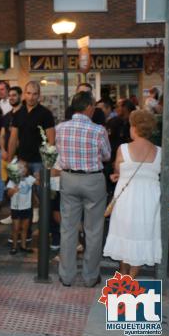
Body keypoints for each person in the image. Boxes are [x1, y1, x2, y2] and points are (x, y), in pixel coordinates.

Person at [55, 91, 110, 287]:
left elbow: (58, 151)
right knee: (93, 230)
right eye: (93, 106)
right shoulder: (98, 130)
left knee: (68, 229)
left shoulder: (60, 128)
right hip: (92, 179)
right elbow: (106, 155)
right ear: (88, 107)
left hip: (68, 178)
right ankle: (89, 277)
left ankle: (67, 276)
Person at [103, 110, 161, 278]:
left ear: (134, 128)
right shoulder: (159, 151)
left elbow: (117, 170)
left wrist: (118, 175)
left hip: (127, 199)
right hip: (149, 201)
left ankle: (123, 274)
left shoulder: (123, 149)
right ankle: (131, 278)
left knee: (124, 234)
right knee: (143, 235)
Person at [7, 81, 55, 224]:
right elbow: (13, 138)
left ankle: (47, 228)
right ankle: (25, 231)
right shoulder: (18, 113)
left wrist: (48, 165)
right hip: (22, 160)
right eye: (29, 93)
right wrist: (10, 160)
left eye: (35, 94)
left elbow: (51, 140)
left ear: (39, 95)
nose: (31, 97)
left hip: (40, 161)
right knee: (21, 195)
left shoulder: (45, 113)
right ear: (24, 94)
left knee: (43, 195)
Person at [0, 86, 23, 226]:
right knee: (11, 187)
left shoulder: (24, 113)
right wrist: (3, 149)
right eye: (10, 96)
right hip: (9, 157)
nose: (12, 98)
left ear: (20, 96)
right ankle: (13, 214)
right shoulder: (7, 116)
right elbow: (2, 135)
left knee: (23, 188)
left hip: (21, 156)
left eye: (14, 95)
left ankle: (31, 212)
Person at [6, 161, 36, 254]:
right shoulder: (12, 180)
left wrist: (39, 176)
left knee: (25, 228)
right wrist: (13, 190)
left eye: (23, 167)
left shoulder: (30, 179)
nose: (21, 169)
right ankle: (14, 246)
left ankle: (23, 246)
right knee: (15, 228)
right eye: (19, 167)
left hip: (26, 207)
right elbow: (8, 194)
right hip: (16, 207)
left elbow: (39, 182)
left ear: (27, 169)